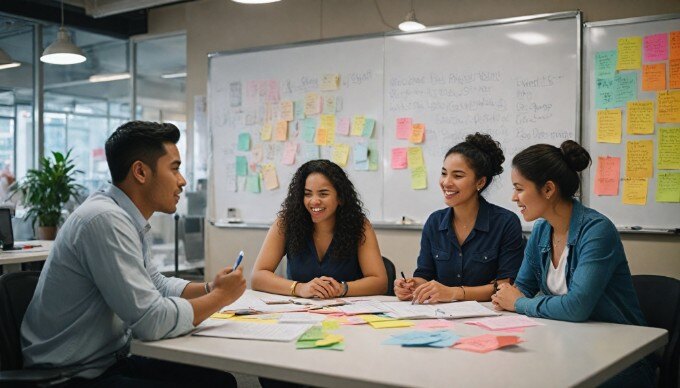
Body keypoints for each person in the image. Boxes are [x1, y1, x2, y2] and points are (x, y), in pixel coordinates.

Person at [21, 121, 246, 387]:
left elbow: (156, 285)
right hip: (69, 376)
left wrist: (210, 288)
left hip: (105, 362)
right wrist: (221, 297)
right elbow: (151, 321)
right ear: (140, 171)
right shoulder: (104, 220)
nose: (182, 181)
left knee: (218, 382)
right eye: (174, 168)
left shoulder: (126, 218)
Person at [492, 140, 654, 387]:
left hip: (619, 359)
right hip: (567, 347)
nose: (514, 198)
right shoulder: (541, 230)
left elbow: (576, 307)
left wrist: (519, 303)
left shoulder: (597, 231)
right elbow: (521, 287)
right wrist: (510, 298)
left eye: (519, 188)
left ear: (548, 189)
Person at [395, 133, 524, 303]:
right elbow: (425, 274)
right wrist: (412, 286)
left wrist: (455, 293)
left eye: (457, 176)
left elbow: (506, 285)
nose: (446, 182)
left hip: (491, 315)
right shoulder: (434, 222)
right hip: (441, 315)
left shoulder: (506, 223)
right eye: (444, 173)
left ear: (480, 182)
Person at [251, 159, 387, 299]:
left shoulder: (360, 225)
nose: (314, 201)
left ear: (340, 197)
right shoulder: (286, 223)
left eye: (323, 194)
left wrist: (342, 288)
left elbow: (380, 282)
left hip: (346, 314)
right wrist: (299, 288)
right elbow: (257, 276)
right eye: (308, 194)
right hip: (299, 313)